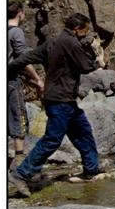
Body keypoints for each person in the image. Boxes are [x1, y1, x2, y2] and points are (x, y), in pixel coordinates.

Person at [8, 13, 105, 198]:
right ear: (77, 29)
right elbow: (85, 66)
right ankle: (21, 174)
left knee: (83, 133)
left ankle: (91, 170)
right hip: (62, 100)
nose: (86, 34)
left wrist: (7, 70)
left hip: (60, 99)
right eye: (85, 30)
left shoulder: (52, 42)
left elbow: (26, 58)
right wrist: (97, 58)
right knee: (52, 140)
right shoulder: (71, 43)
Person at [8, 1, 44, 170]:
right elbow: (23, 58)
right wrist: (37, 78)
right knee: (18, 115)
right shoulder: (16, 32)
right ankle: (19, 161)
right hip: (10, 81)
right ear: (20, 13)